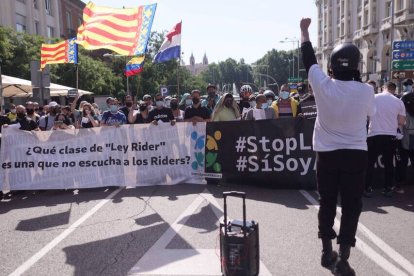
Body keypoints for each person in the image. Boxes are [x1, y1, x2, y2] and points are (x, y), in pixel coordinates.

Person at [301, 18, 375, 275]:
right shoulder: (366, 91)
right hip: (356, 154)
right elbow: (369, 115)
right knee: (352, 205)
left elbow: (309, 59)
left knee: (327, 202)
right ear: (357, 65)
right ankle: (344, 255)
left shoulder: (322, 85)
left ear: (331, 65)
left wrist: (304, 31)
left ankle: (325, 250)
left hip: (327, 155)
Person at [364, 82, 406, 197]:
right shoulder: (398, 101)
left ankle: (367, 188)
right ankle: (387, 188)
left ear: (383, 88)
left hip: (373, 134)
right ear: (394, 89)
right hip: (390, 135)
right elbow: (401, 122)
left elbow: (366, 116)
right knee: (389, 163)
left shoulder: (373, 98)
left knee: (370, 163)